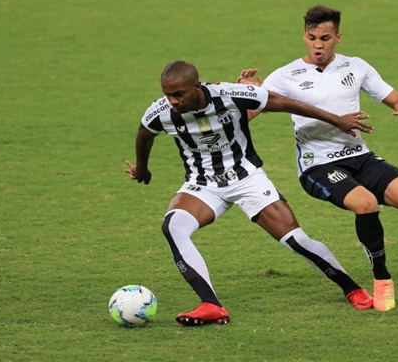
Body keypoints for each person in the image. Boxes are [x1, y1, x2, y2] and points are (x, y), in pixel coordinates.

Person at [237, 5, 398, 312]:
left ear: (338, 37)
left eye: (326, 38)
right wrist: (245, 95)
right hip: (319, 166)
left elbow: (394, 97)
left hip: (360, 156)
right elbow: (248, 115)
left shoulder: (355, 67)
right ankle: (382, 281)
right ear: (304, 36)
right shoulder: (285, 76)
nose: (318, 44)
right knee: (366, 203)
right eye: (312, 37)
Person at [125, 60, 376, 326]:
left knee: (294, 239)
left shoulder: (229, 94)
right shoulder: (161, 112)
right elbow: (144, 134)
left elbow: (283, 102)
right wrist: (142, 169)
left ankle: (351, 288)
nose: (172, 101)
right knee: (173, 226)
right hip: (203, 184)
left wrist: (336, 120)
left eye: (178, 94)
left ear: (196, 86)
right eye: (167, 94)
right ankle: (212, 305)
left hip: (247, 179)